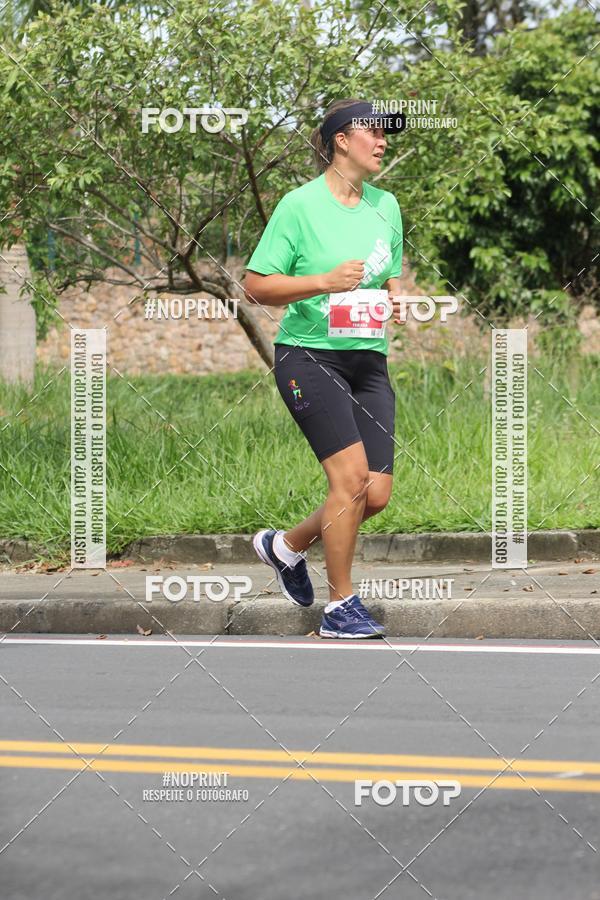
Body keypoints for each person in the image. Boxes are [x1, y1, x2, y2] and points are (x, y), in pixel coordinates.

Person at [244, 98, 406, 638]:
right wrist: (323, 282)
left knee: (374, 493)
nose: (382, 141)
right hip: (309, 356)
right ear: (341, 140)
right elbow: (256, 286)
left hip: (369, 359)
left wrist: (397, 296)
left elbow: (389, 271)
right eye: (373, 132)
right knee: (351, 480)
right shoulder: (299, 206)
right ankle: (340, 607)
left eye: (385, 133)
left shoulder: (386, 205)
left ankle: (286, 547)